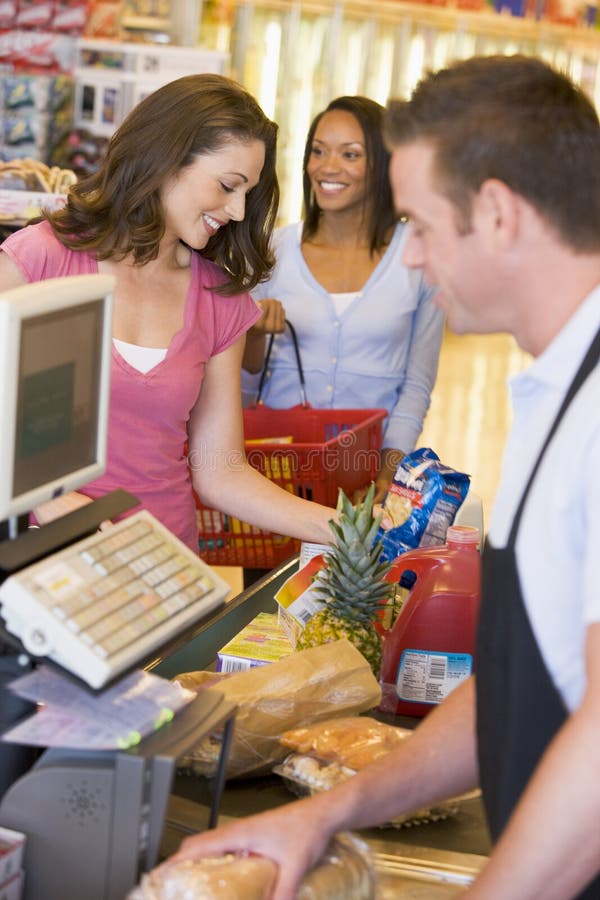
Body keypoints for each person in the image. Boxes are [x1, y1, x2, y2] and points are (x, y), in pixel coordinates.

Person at [168, 55, 600, 900]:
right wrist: (328, 812)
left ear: (500, 215)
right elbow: (518, 683)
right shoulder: (553, 389)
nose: (409, 261)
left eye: (422, 227)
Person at [0, 74, 337, 551]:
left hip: (166, 564)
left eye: (248, 193)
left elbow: (222, 473)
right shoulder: (42, 259)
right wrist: (48, 501)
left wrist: (346, 530)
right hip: (45, 563)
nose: (239, 211)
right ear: (167, 159)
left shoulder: (220, 300)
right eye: (227, 185)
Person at [241, 95, 445, 500]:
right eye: (318, 151)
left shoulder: (420, 257)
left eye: (350, 154)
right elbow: (245, 386)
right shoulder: (273, 253)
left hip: (364, 481)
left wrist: (389, 472)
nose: (327, 167)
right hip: (278, 477)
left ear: (384, 166)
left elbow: (416, 385)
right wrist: (253, 334)